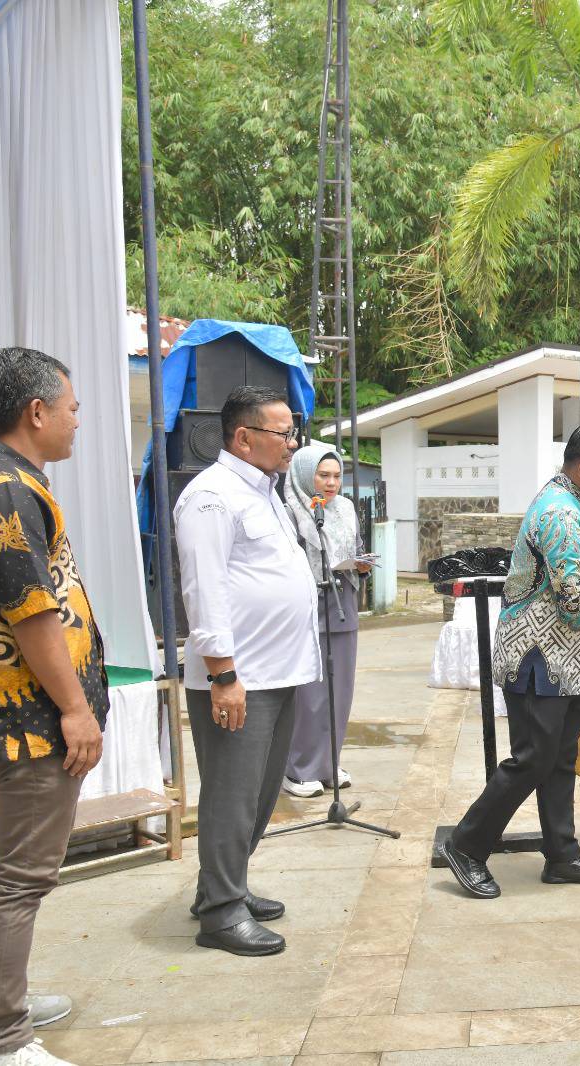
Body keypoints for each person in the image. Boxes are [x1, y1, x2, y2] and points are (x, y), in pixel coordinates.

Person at [0, 347, 107, 1066]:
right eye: (71, 406)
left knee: (12, 870)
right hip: (28, 722)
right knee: (20, 878)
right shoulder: (2, 492)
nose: (77, 419)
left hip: (16, 717)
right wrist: (75, 710)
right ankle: (1, 1039)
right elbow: (32, 613)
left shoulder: (1, 481)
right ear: (36, 412)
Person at [438, 423, 580, 899]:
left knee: (560, 758)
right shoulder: (561, 514)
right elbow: (576, 599)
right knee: (533, 759)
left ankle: (561, 855)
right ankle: (466, 845)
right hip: (537, 657)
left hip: (563, 658)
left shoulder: (571, 502)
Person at [173, 385, 321, 956]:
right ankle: (220, 913)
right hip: (240, 678)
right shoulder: (212, 496)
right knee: (232, 797)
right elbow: (203, 591)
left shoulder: (263, 491)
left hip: (277, 672)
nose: (292, 444)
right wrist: (223, 675)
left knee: (258, 796)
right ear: (244, 437)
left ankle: (224, 884)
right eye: (283, 434)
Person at [280, 445, 370, 798]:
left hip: (342, 600)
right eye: (323, 476)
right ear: (305, 475)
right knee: (310, 692)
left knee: (340, 687)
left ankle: (328, 762)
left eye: (337, 476)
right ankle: (299, 768)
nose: (332, 483)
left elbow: (356, 546)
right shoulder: (289, 511)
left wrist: (360, 563)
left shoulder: (345, 509)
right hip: (307, 604)